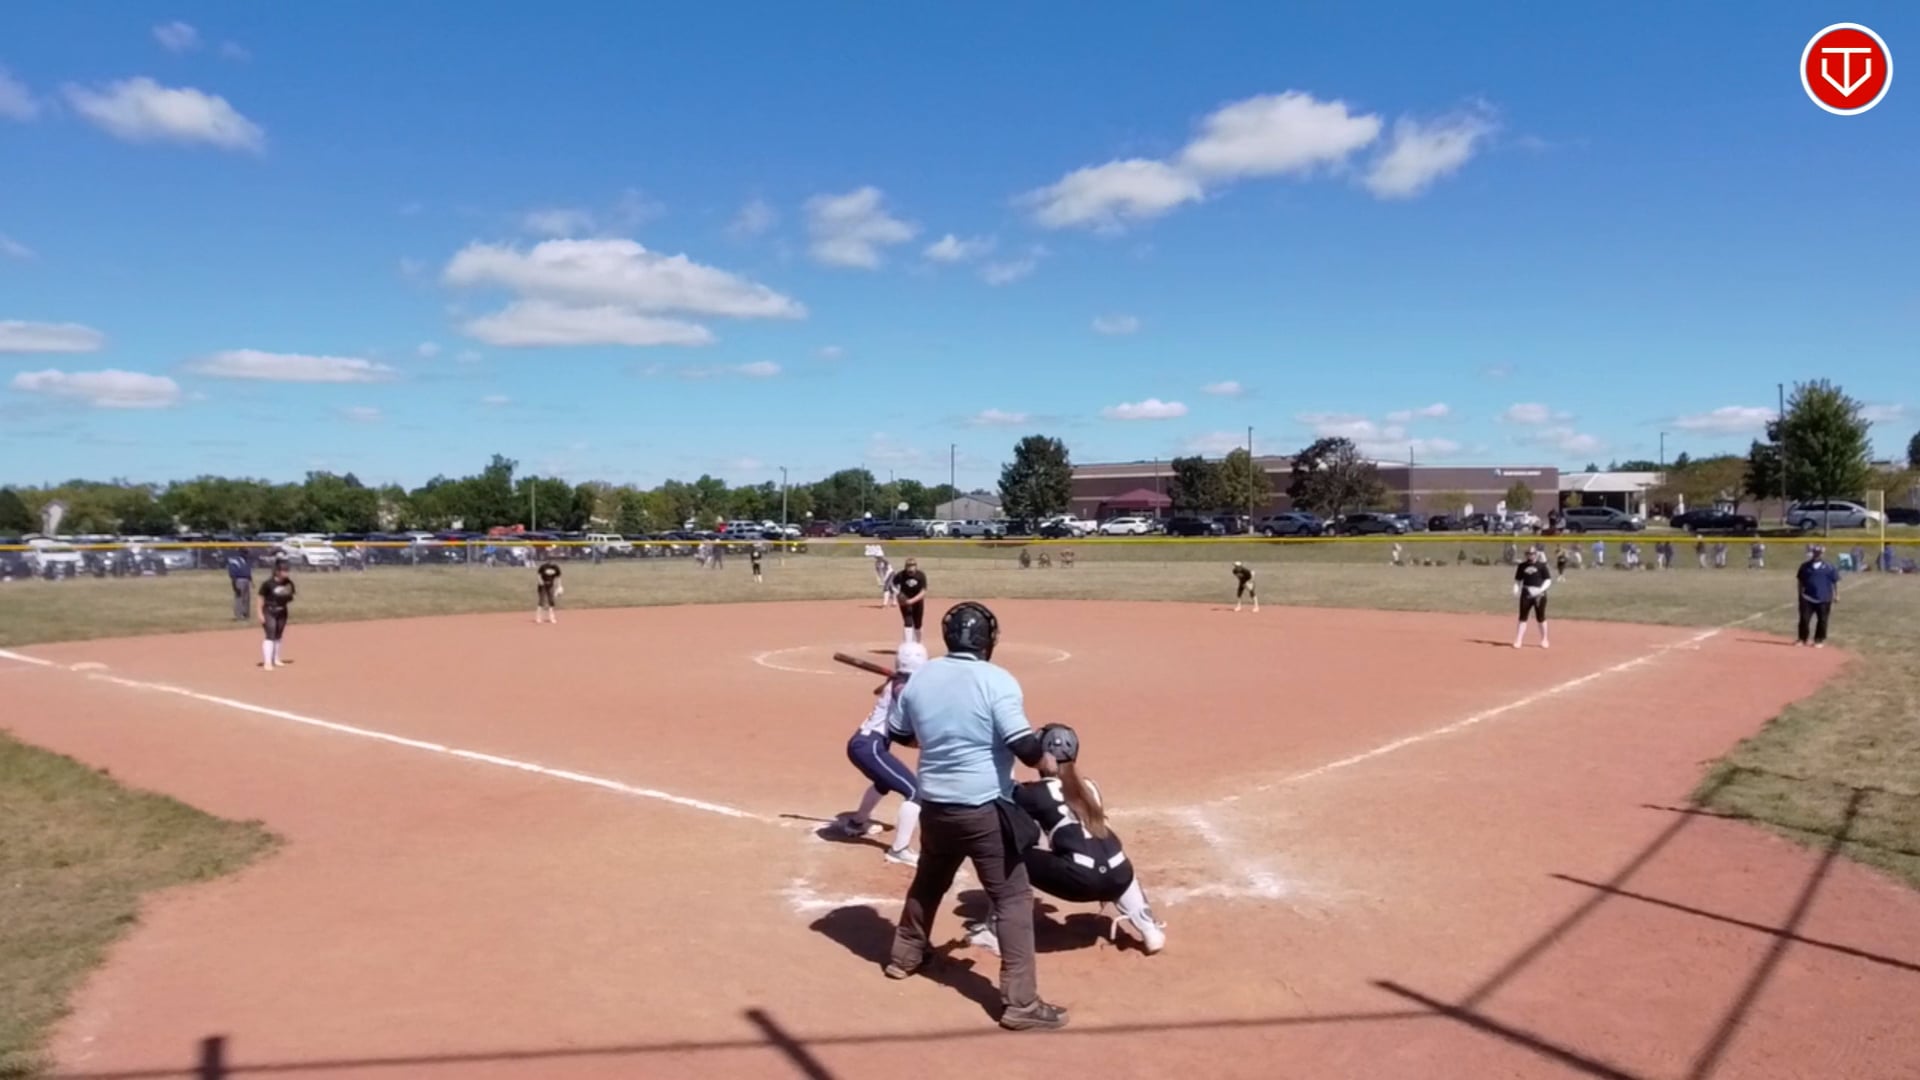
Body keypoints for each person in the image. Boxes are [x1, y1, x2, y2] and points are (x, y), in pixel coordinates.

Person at [884, 601, 1068, 1032]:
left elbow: (900, 734)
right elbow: (1023, 746)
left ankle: (903, 956)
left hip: (935, 806)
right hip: (983, 808)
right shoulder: (996, 680)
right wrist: (1045, 762)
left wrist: (942, 737)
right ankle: (1021, 1003)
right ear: (989, 640)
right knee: (1013, 899)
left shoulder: (921, 677)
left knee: (929, 882)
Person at [966, 723, 1166, 956]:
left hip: (1080, 880)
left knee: (1007, 850)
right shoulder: (1090, 787)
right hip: (1120, 877)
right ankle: (1149, 928)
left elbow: (1002, 795)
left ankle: (995, 933)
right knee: (1113, 858)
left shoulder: (1034, 793)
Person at [834, 642, 927, 867]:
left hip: (863, 744)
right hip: (870, 747)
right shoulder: (902, 688)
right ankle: (899, 850)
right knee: (915, 792)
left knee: (883, 783)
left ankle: (857, 823)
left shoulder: (901, 685)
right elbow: (905, 728)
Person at [1795, 546, 1840, 648]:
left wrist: (1837, 594)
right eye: (1815, 553)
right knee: (1804, 619)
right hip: (1807, 597)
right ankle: (1802, 638)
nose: (1817, 555)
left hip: (1824, 598)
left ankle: (1819, 639)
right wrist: (1800, 594)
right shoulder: (1805, 566)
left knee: (1822, 620)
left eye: (1819, 553)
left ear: (1822, 554)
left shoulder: (1829, 567)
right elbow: (1800, 581)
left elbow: (1835, 581)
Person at [258, 559, 296, 669]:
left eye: (287, 570)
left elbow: (291, 595)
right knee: (270, 634)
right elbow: (260, 598)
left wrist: (286, 595)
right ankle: (267, 662)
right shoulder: (268, 584)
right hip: (269, 610)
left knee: (278, 635)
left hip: (282, 611)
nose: (286, 572)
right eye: (284, 570)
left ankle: (276, 659)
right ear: (277, 571)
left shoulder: (288, 583)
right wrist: (260, 613)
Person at [1512, 548, 1552, 649]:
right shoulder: (1522, 566)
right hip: (1526, 593)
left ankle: (1544, 639)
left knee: (1540, 617)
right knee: (1522, 617)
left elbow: (1548, 580)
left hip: (1539, 594)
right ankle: (1518, 640)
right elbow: (1518, 579)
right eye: (1529, 554)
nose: (1531, 555)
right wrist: (1516, 589)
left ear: (1536, 554)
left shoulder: (1542, 566)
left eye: (1533, 554)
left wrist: (1541, 590)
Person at [891, 558, 928, 643]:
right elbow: (893, 585)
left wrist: (912, 601)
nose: (911, 569)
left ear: (916, 567)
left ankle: (918, 643)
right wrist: (898, 594)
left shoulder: (920, 575)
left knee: (918, 624)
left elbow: (923, 591)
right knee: (908, 622)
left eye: (912, 566)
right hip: (905, 601)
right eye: (909, 566)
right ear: (905, 567)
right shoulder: (901, 575)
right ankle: (908, 643)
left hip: (917, 601)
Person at [225, 545, 253, 621]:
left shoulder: (246, 560)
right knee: (239, 598)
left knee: (246, 598)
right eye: (245, 552)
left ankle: (246, 614)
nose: (247, 554)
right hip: (239, 580)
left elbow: (248, 571)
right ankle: (238, 615)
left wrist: (251, 580)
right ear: (241, 552)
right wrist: (234, 584)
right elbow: (232, 572)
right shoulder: (235, 560)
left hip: (246, 580)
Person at [535, 559, 562, 623]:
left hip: (550, 585)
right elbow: (539, 575)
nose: (550, 562)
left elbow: (558, 577)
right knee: (542, 601)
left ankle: (551, 617)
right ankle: (538, 617)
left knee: (551, 601)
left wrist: (559, 586)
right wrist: (540, 581)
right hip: (542, 586)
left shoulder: (555, 568)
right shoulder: (543, 567)